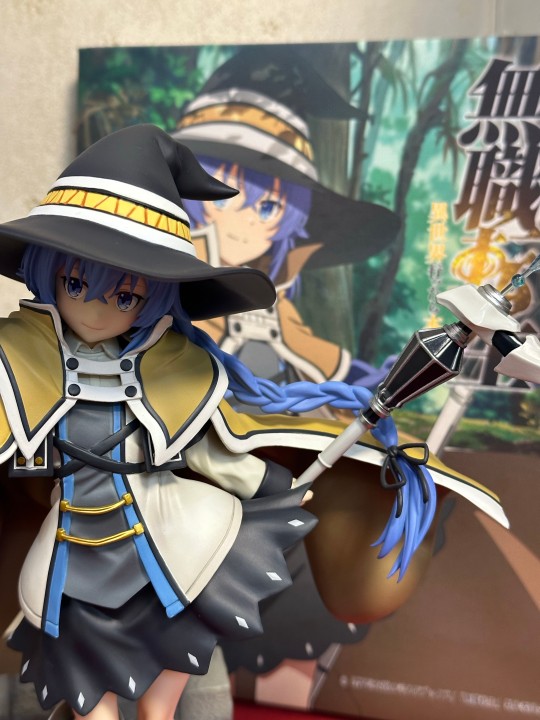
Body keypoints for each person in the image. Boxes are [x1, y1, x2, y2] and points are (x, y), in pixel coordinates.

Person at [0, 125, 505, 720]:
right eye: (76, 283)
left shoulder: (173, 365)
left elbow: (209, 448)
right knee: (83, 669)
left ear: (155, 298)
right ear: (49, 273)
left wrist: (270, 486)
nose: (94, 307)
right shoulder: (21, 357)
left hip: (159, 530)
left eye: (125, 296)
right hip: (71, 544)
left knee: (178, 642)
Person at [174, 47, 400, 393]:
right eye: (222, 198)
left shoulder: (271, 301)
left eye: (268, 209)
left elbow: (318, 358)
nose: (247, 222)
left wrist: (371, 382)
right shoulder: (169, 288)